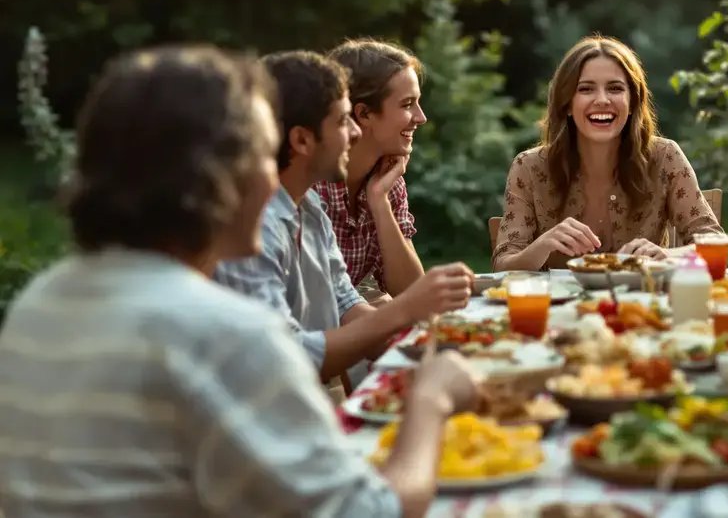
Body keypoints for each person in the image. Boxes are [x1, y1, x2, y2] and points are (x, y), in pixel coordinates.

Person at [0, 46, 479, 517]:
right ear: (220, 177)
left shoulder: (37, 303)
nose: (274, 180)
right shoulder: (223, 332)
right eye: (264, 155)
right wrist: (430, 400)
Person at [215, 51, 470, 390]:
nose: (354, 132)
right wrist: (405, 310)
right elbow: (286, 358)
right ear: (302, 140)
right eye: (341, 121)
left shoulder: (309, 207)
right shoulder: (253, 226)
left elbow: (346, 302)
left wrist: (449, 344)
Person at [492, 35, 721, 271]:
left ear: (632, 102)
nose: (602, 100)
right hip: (555, 297)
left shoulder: (665, 157)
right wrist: (542, 245)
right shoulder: (529, 168)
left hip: (645, 295)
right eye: (586, 89)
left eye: (615, 88)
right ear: (567, 104)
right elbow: (503, 265)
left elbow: (714, 242)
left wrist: (668, 255)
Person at [316, 39, 426, 302]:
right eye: (407, 104)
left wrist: (379, 201)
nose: (421, 117)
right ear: (364, 114)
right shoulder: (312, 183)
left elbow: (412, 292)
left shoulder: (387, 179)